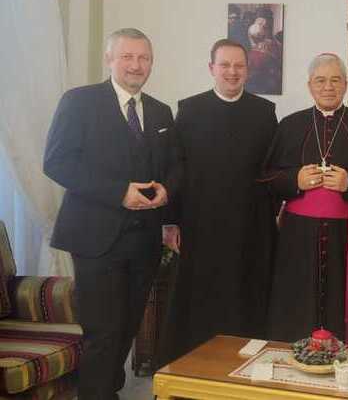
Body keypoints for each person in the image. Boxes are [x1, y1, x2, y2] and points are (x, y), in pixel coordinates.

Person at [43, 28, 178, 399]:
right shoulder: (79, 101)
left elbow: (175, 166)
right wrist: (119, 193)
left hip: (144, 241)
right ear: (110, 59)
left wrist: (168, 188)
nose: (137, 65)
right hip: (95, 238)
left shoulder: (161, 111)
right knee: (103, 332)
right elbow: (57, 162)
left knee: (126, 329)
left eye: (144, 58)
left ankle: (108, 391)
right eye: (128, 57)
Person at [159, 39, 278, 365]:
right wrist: (170, 221)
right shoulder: (189, 109)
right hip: (200, 223)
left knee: (244, 298)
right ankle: (195, 368)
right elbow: (175, 167)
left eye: (239, 65)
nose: (232, 72)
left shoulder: (265, 112)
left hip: (249, 225)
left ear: (248, 70)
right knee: (199, 300)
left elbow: (272, 170)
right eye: (224, 65)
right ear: (211, 68)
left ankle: (240, 369)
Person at [263, 53, 348, 346]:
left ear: (346, 84)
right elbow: (267, 177)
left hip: (347, 234)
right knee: (298, 298)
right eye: (320, 80)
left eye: (335, 80)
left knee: (343, 298)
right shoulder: (290, 125)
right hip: (298, 235)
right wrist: (294, 181)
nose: (328, 86)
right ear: (309, 85)